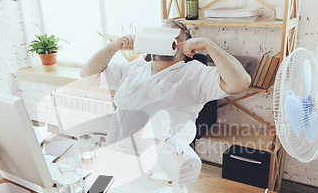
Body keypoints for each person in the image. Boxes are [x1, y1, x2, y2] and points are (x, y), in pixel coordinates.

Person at [80, 19, 251, 154]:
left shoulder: (195, 74)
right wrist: (113, 47)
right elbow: (88, 76)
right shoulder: (134, 68)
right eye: (160, 35)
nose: (164, 40)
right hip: (115, 156)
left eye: (172, 37)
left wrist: (209, 45)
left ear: (185, 46)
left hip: (158, 166)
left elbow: (241, 82)